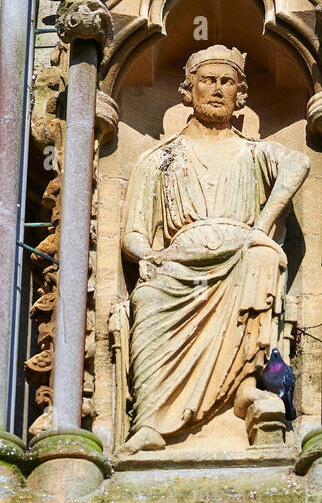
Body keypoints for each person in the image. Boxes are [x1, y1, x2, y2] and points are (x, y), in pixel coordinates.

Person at [119, 45, 309, 453]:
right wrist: (151, 256)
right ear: (189, 89)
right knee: (150, 296)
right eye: (208, 80)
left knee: (262, 257)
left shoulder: (255, 153)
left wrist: (260, 228)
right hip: (178, 265)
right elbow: (133, 233)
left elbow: (299, 165)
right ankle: (150, 418)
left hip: (241, 257)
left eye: (228, 81)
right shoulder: (161, 159)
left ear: (240, 93)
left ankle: (245, 389)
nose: (218, 89)